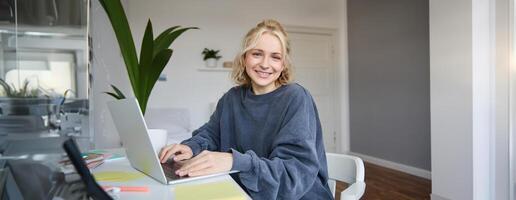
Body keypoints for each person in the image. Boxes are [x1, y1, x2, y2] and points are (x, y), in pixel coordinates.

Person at [159, 19, 333, 199]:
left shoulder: (296, 98)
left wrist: (234, 161)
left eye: (275, 57)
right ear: (244, 58)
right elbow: (211, 134)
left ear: (283, 65)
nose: (265, 64)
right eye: (257, 54)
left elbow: (292, 176)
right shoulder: (231, 98)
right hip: (243, 193)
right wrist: (190, 147)